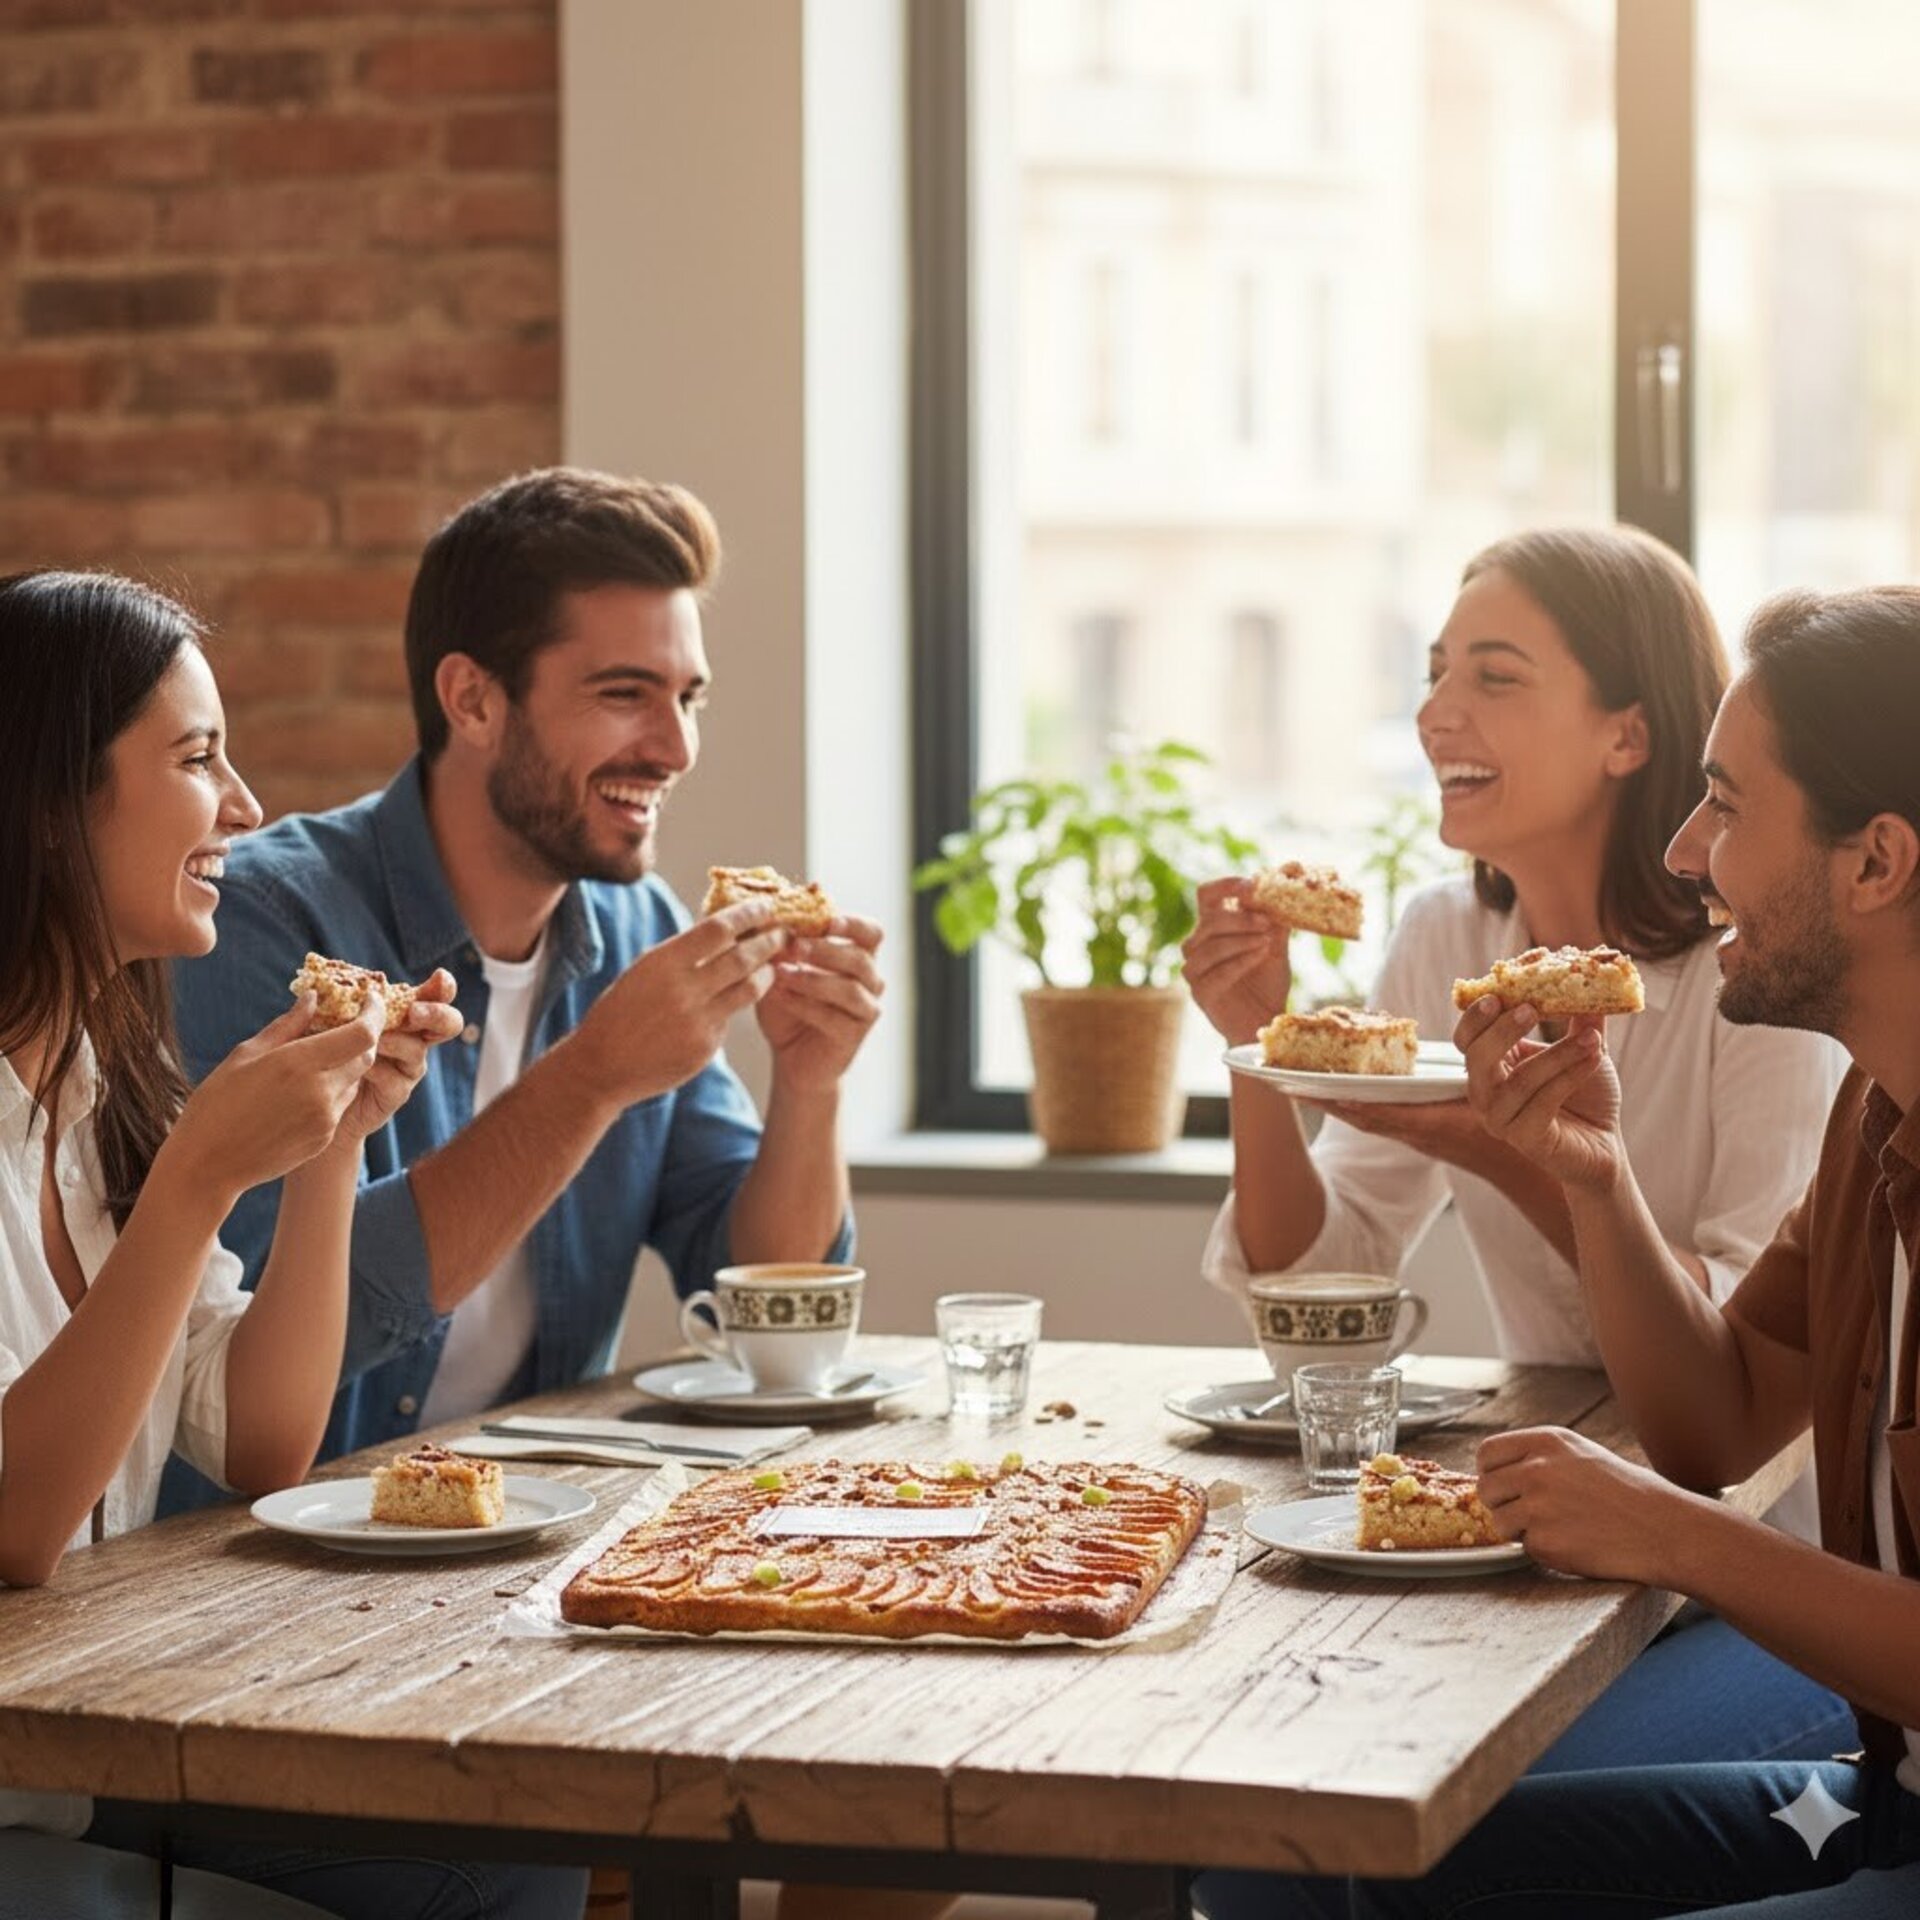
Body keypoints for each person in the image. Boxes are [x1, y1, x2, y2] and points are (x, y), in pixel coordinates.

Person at [1197, 583, 1920, 1916]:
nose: (1692, 852)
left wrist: (1677, 1538)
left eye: (1728, 806)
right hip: (1886, 1800)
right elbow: (1713, 1424)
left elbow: (1693, 1494)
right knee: (1313, 1868)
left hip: (1853, 1752)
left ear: (1876, 863)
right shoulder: (1875, 1120)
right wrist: (1592, 1177)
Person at [0, 570, 584, 1920]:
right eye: (196, 758)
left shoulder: (93, 1098)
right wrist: (201, 1177)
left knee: (530, 1836)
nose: (245, 805)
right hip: (27, 1784)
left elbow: (263, 1441)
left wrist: (336, 1141)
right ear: (46, 804)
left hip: (89, 1747)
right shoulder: (142, 1137)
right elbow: (17, 1527)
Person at [159, 467, 883, 1503]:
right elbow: (239, 1353)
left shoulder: (640, 931)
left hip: (531, 1530)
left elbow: (758, 1292)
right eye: (624, 694)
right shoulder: (260, 926)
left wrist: (811, 1084)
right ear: (473, 700)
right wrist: (592, 1077)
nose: (675, 748)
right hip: (261, 1549)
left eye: (687, 698)